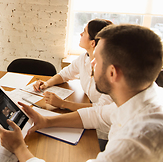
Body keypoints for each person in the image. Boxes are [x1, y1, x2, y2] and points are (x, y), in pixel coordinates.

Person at [0, 24, 163, 162]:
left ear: (112, 72)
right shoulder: (150, 97)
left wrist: (19, 148)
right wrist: (46, 121)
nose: (91, 63)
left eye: (97, 59)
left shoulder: (139, 139)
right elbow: (99, 114)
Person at [33, 19, 113, 149]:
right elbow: (65, 74)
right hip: (90, 118)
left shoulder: (109, 72)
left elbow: (100, 110)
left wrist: (63, 104)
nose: (81, 34)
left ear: (93, 43)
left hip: (104, 134)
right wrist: (46, 83)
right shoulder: (84, 58)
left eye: (84, 32)